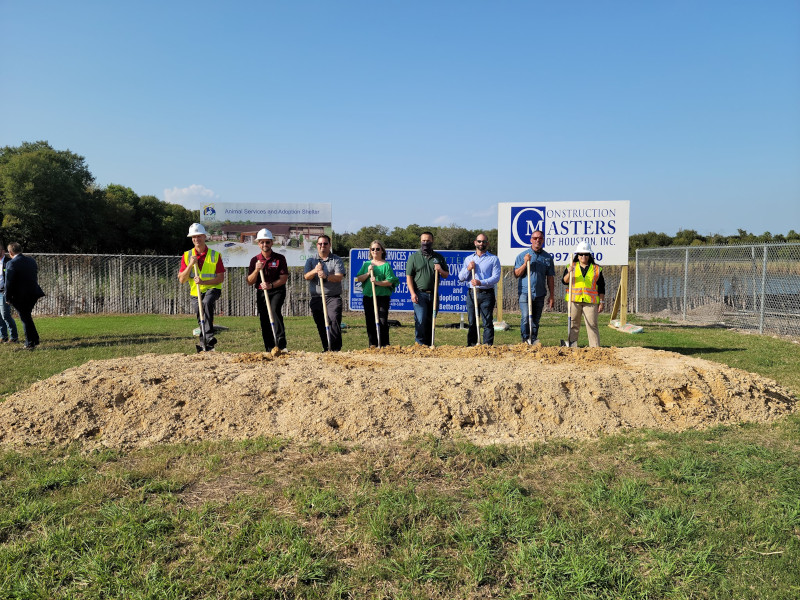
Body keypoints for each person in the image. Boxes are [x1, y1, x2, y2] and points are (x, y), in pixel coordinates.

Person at [178, 223, 225, 349]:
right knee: (200, 315)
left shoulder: (215, 255)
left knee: (206, 302)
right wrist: (190, 264)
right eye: (194, 237)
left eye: (199, 236)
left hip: (213, 288)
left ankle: (209, 336)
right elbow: (182, 279)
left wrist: (203, 282)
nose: (196, 239)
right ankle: (205, 343)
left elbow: (221, 278)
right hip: (195, 292)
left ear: (205, 237)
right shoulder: (187, 255)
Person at [247, 228, 289, 352]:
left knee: (274, 310)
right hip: (261, 293)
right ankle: (269, 347)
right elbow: (250, 281)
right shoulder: (255, 260)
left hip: (277, 290)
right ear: (258, 244)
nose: (265, 244)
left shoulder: (279, 258)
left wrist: (270, 285)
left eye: (267, 242)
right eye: (262, 242)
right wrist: (256, 270)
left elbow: (283, 278)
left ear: (272, 243)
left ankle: (281, 344)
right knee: (264, 317)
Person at [406, 231, 449, 346]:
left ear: (432, 241)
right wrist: (412, 293)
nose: (426, 243)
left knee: (431, 319)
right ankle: (420, 344)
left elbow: (446, 275)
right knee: (421, 320)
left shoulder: (438, 257)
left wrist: (440, 270)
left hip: (434, 294)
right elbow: (409, 277)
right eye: (423, 241)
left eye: (428, 241)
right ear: (420, 241)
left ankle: (430, 344)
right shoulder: (414, 258)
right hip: (419, 294)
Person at [303, 234, 345, 351]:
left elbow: (339, 277)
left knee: (333, 319)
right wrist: (315, 271)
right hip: (317, 297)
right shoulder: (311, 261)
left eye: (325, 244)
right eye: (320, 244)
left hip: (332, 297)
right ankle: (326, 348)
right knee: (321, 323)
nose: (323, 246)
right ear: (317, 245)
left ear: (329, 245)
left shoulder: (336, 259)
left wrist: (326, 276)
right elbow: (306, 276)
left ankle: (335, 349)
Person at [458, 233, 501, 346]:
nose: (481, 243)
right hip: (472, 294)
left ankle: (487, 346)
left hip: (486, 294)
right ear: (475, 242)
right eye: (479, 241)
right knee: (472, 321)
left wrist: (481, 282)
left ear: (487, 243)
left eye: (484, 242)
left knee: (487, 321)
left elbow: (496, 277)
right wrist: (468, 268)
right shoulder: (468, 259)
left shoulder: (493, 259)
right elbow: (461, 277)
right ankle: (472, 345)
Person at [354, 240, 400, 347]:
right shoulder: (366, 264)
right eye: (373, 249)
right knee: (370, 322)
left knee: (382, 321)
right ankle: (373, 345)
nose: (375, 251)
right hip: (369, 297)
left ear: (382, 251)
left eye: (377, 249)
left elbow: (390, 281)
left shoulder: (386, 265)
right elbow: (358, 279)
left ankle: (384, 344)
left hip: (382, 298)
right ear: (370, 251)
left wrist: (377, 283)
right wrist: (368, 273)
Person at [513, 231, 555, 345]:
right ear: (531, 240)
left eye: (540, 238)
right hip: (525, 293)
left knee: (536, 319)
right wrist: (525, 263)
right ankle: (525, 339)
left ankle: (533, 339)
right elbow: (516, 274)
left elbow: (550, 278)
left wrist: (552, 296)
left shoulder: (547, 257)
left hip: (540, 293)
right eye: (535, 238)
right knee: (526, 316)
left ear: (543, 240)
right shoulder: (522, 256)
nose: (538, 240)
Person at [562, 241, 605, 347]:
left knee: (592, 325)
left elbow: (601, 287)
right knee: (573, 324)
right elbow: (564, 281)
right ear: (578, 255)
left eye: (586, 254)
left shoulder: (597, 269)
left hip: (590, 302)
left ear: (589, 255)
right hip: (574, 301)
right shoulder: (570, 266)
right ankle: (572, 345)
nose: (583, 256)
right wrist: (569, 272)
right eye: (581, 254)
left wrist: (602, 302)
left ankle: (595, 348)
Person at [4, 243, 45, 350]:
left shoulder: (11, 263)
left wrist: (7, 297)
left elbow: (8, 282)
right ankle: (34, 339)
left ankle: (30, 343)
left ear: (10, 252)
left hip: (20, 296)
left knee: (25, 318)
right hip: (33, 293)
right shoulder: (31, 261)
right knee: (27, 316)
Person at [0, 245, 19, 343]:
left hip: (4, 292)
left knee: (5, 315)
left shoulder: (9, 262)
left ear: (3, 251)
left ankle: (14, 337)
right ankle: (3, 336)